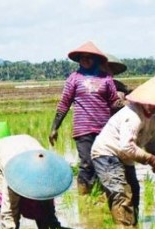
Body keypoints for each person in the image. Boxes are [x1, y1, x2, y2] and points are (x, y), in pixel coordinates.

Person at [90, 76, 155, 226]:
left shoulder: (154, 117)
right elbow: (127, 147)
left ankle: (132, 227)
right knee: (121, 193)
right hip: (106, 154)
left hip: (125, 157)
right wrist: (151, 160)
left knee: (134, 192)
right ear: (144, 101)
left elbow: (151, 143)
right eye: (154, 104)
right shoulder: (132, 115)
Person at [0, 134, 77, 229]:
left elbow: (49, 207)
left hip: (29, 146)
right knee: (10, 208)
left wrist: (52, 226)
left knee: (45, 208)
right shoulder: (13, 176)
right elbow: (8, 213)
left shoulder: (48, 167)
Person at [49, 40, 120, 195]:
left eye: (89, 57)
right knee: (86, 164)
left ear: (96, 60)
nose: (86, 60)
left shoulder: (106, 79)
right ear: (79, 59)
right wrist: (54, 127)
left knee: (103, 162)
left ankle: (101, 195)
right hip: (83, 129)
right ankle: (83, 197)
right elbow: (64, 104)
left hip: (104, 129)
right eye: (83, 57)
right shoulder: (74, 78)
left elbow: (114, 102)